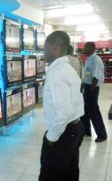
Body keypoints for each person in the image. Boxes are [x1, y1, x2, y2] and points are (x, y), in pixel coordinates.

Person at [39, 31, 85, 181]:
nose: (43, 51)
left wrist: (52, 137)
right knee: (70, 174)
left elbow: (64, 112)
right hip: (75, 128)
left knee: (50, 175)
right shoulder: (68, 68)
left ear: (53, 48)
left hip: (64, 132)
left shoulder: (57, 72)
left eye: (44, 48)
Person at [81, 42, 107, 142]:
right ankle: (86, 132)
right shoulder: (88, 58)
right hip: (87, 87)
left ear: (91, 48)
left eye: (86, 47)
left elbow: (96, 78)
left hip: (92, 88)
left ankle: (102, 135)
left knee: (94, 112)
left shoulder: (96, 60)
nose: (83, 49)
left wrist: (91, 92)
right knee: (85, 111)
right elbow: (87, 73)